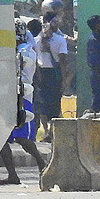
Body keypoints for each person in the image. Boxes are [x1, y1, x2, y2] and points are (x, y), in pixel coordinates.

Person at [0, 19, 48, 184]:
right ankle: (12, 175)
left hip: (21, 98)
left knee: (22, 138)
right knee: (1, 139)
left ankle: (42, 164)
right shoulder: (15, 50)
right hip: (7, 98)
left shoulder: (24, 52)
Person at [32, 13, 70, 141]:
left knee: (42, 104)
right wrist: (64, 79)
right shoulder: (60, 40)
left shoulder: (36, 40)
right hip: (54, 73)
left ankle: (46, 129)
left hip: (40, 73)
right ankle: (50, 130)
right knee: (54, 103)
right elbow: (63, 61)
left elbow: (35, 59)